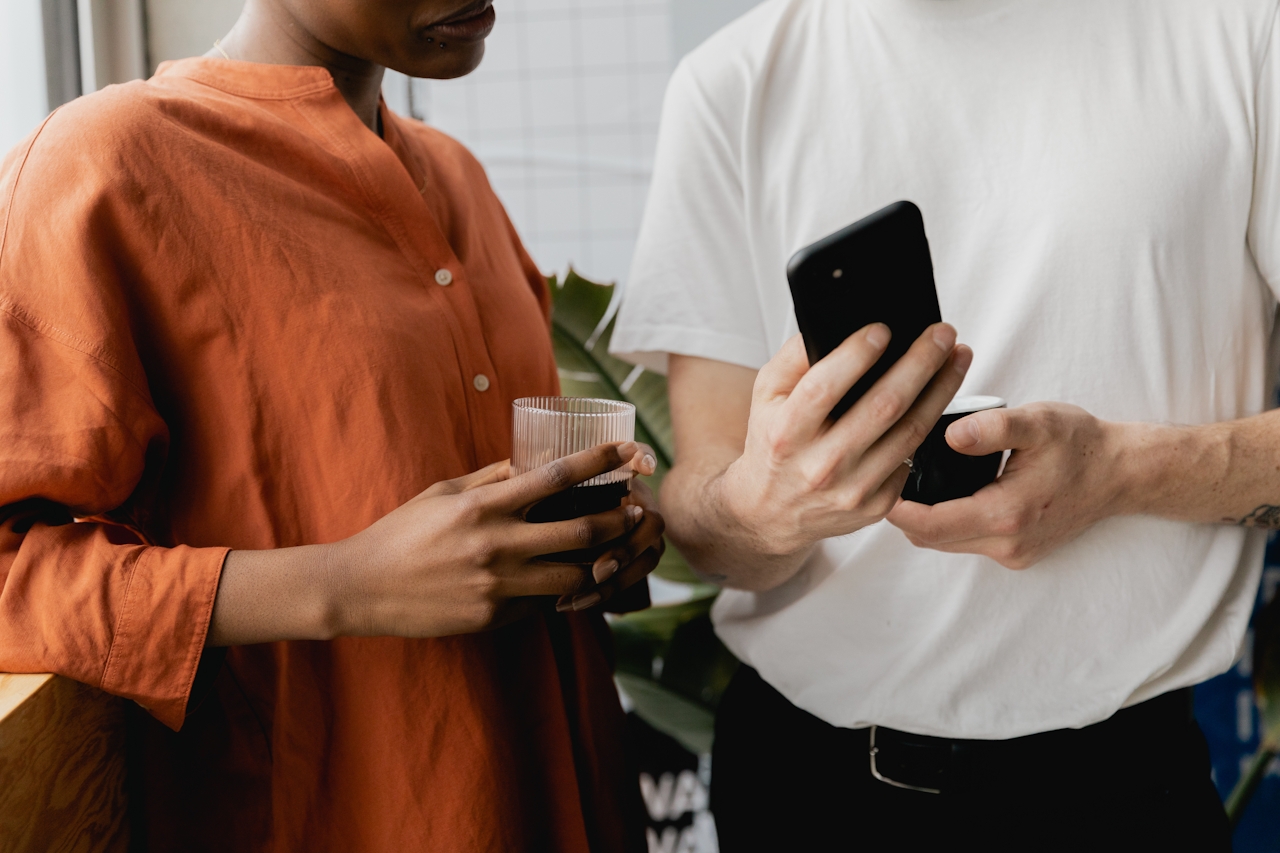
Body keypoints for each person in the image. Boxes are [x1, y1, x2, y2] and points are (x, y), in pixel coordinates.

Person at [612, 0, 1280, 848]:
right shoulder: (730, 82)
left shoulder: (1240, 29)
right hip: (805, 789)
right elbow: (704, 518)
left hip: (1117, 792)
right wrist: (762, 506)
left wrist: (1121, 471)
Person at [0, 1, 664, 849]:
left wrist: (605, 548)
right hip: (345, 810)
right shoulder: (101, 168)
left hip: (563, 795)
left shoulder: (457, 175)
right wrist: (343, 582)